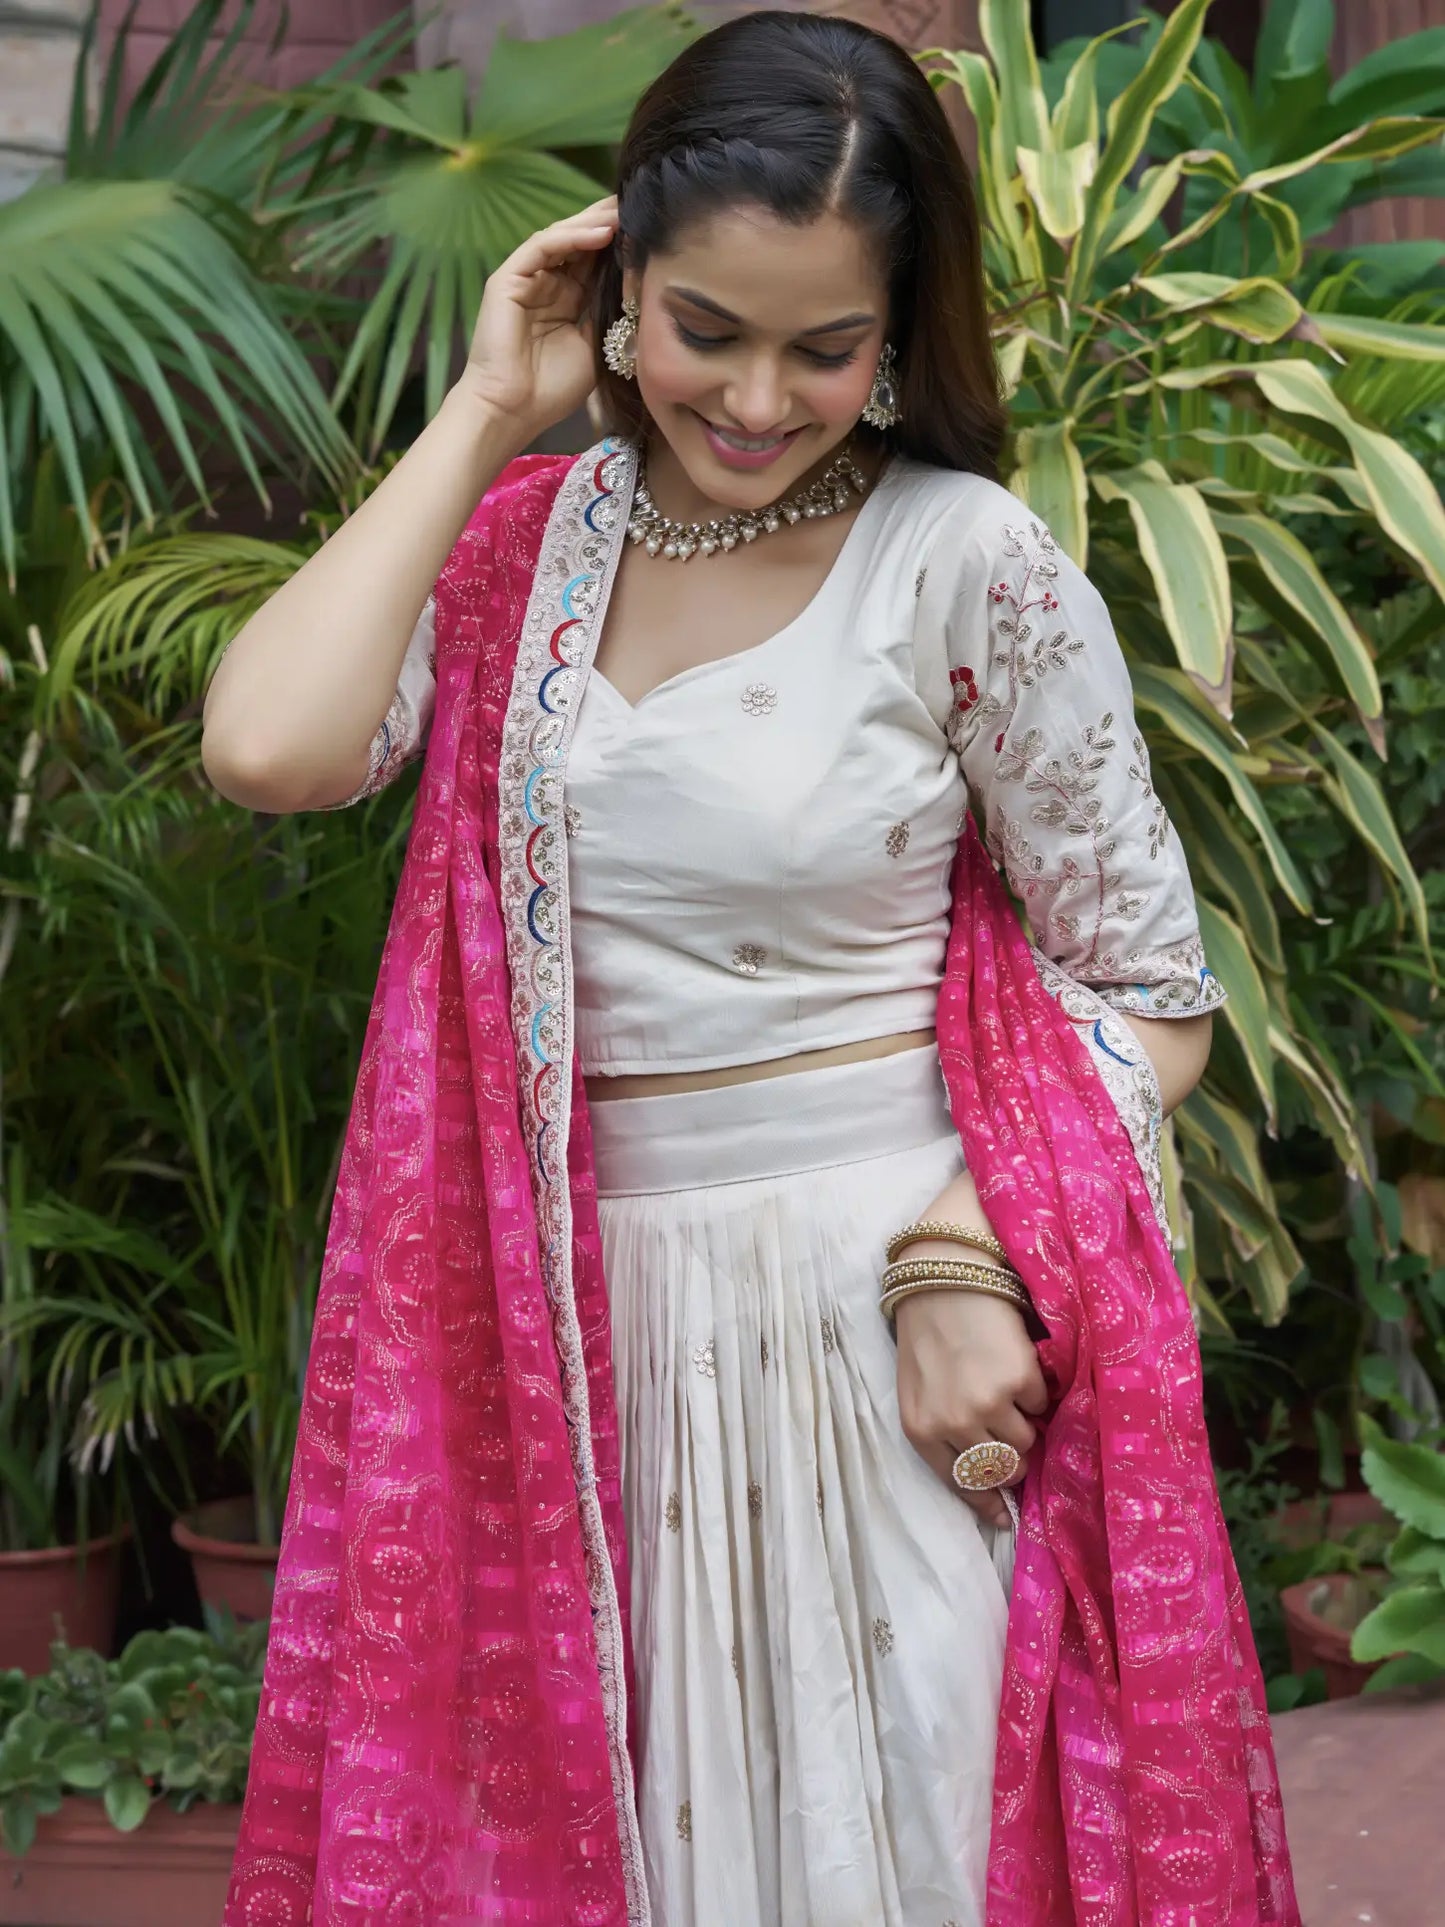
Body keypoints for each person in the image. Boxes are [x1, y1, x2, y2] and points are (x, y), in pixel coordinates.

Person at [206, 13, 1298, 1926]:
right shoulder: (522, 555)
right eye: (707, 326)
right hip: (561, 1350)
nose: (757, 396)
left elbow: (1149, 985)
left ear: (899, 340)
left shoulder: (962, 565)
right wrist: (484, 417)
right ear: (618, 283)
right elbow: (274, 751)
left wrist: (969, 1258)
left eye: (826, 346)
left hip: (877, 1335)